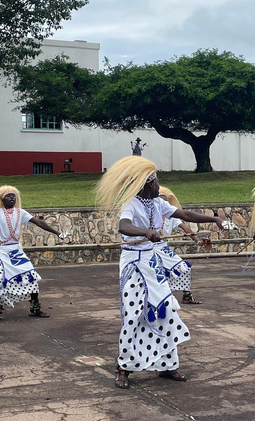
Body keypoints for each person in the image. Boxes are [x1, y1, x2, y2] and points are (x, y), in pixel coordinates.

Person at [95, 156, 234, 389]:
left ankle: (168, 366)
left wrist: (214, 219)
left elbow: (185, 215)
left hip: (151, 262)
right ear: (147, 183)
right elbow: (124, 226)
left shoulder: (158, 204)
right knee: (134, 315)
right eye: (156, 181)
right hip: (133, 264)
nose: (159, 185)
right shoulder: (131, 204)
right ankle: (123, 368)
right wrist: (146, 232)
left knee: (166, 311)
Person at [0, 185, 67, 322]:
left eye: (14, 196)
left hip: (16, 251)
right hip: (1, 252)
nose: (12, 198)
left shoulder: (21, 212)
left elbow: (39, 222)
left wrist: (56, 233)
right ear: (3, 199)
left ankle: (35, 308)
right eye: (9, 196)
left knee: (31, 275)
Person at [157, 186, 202, 304]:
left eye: (164, 202)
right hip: (149, 249)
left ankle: (187, 295)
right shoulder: (150, 215)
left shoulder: (171, 216)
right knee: (157, 272)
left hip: (163, 248)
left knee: (183, 267)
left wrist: (197, 240)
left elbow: (186, 228)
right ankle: (160, 298)